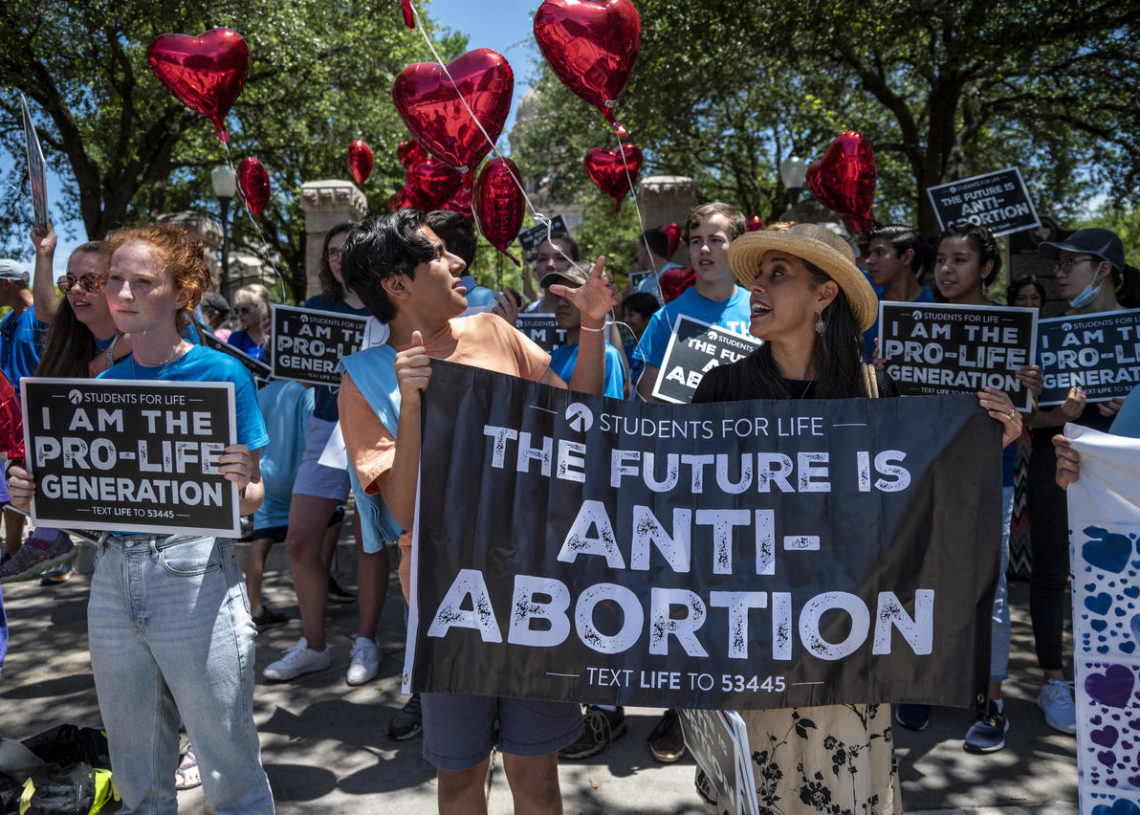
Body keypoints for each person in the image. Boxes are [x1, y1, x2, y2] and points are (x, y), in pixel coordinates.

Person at [691, 221, 1021, 814]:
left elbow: (917, 503)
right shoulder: (722, 390)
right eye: (757, 276)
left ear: (824, 295)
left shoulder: (874, 394)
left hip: (846, 648)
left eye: (777, 275)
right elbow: (684, 509)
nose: (756, 288)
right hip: (751, 644)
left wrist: (983, 445)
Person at [336, 209, 615, 815]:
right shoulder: (364, 380)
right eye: (438, 254)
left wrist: (593, 325)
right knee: (461, 775)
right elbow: (404, 511)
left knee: (536, 775)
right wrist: (413, 403)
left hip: (536, 586)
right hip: (450, 602)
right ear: (397, 284)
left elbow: (580, 422)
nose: (459, 261)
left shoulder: (494, 331)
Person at [6, 223, 274, 814]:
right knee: (137, 777)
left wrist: (240, 484)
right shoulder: (104, 384)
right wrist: (34, 495)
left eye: (142, 282)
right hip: (110, 580)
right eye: (114, 280)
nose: (121, 294)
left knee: (229, 772)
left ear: (183, 294)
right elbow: (92, 505)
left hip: (194, 576)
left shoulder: (221, 375)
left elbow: (254, 496)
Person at [889, 222, 1039, 751]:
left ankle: (991, 700)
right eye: (941, 260)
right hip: (920, 477)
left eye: (960, 260)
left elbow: (1024, 418)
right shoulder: (913, 322)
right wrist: (885, 372)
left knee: (988, 591)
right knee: (920, 581)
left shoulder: (1013, 331)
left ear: (986, 268)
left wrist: (1027, 396)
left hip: (985, 480)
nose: (947, 270)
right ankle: (920, 683)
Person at [263, 223, 391, 687]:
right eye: (332, 251)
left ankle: (366, 641)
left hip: (378, 429)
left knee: (370, 537)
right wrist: (286, 353)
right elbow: (301, 374)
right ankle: (314, 645)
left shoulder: (392, 304)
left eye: (348, 249)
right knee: (300, 539)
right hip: (326, 427)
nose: (339, 258)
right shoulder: (316, 307)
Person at [1026, 227, 1135, 734]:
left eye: (1071, 263)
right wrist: (1054, 411)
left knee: (1122, 575)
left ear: (1104, 269)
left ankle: (1116, 679)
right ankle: (1054, 680)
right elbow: (1028, 419)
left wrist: (1130, 405)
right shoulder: (1046, 336)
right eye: (1059, 265)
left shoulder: (1136, 331)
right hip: (1057, 462)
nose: (1060, 274)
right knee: (1052, 572)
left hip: (1122, 473)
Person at [1, 226, 131, 583]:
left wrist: (104, 362)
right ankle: (48, 534)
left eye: (89, 281)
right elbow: (45, 310)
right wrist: (44, 253)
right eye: (69, 281)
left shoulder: (147, 331)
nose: (75, 290)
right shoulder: (75, 334)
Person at [633, 202, 751, 405]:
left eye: (715, 240)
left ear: (738, 247)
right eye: (696, 241)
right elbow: (648, 404)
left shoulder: (761, 310)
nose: (704, 248)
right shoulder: (665, 319)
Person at [861, 224, 934, 360]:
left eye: (879, 252)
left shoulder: (940, 311)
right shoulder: (864, 314)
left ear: (906, 257)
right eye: (869, 253)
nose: (869, 260)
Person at [633, 227, 681, 304]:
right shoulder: (643, 285)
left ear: (647, 249)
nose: (637, 254)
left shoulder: (678, 274)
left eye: (639, 249)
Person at [227, 283, 271, 361]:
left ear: (260, 308)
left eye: (244, 310)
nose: (240, 314)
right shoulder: (235, 338)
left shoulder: (276, 338)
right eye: (237, 310)